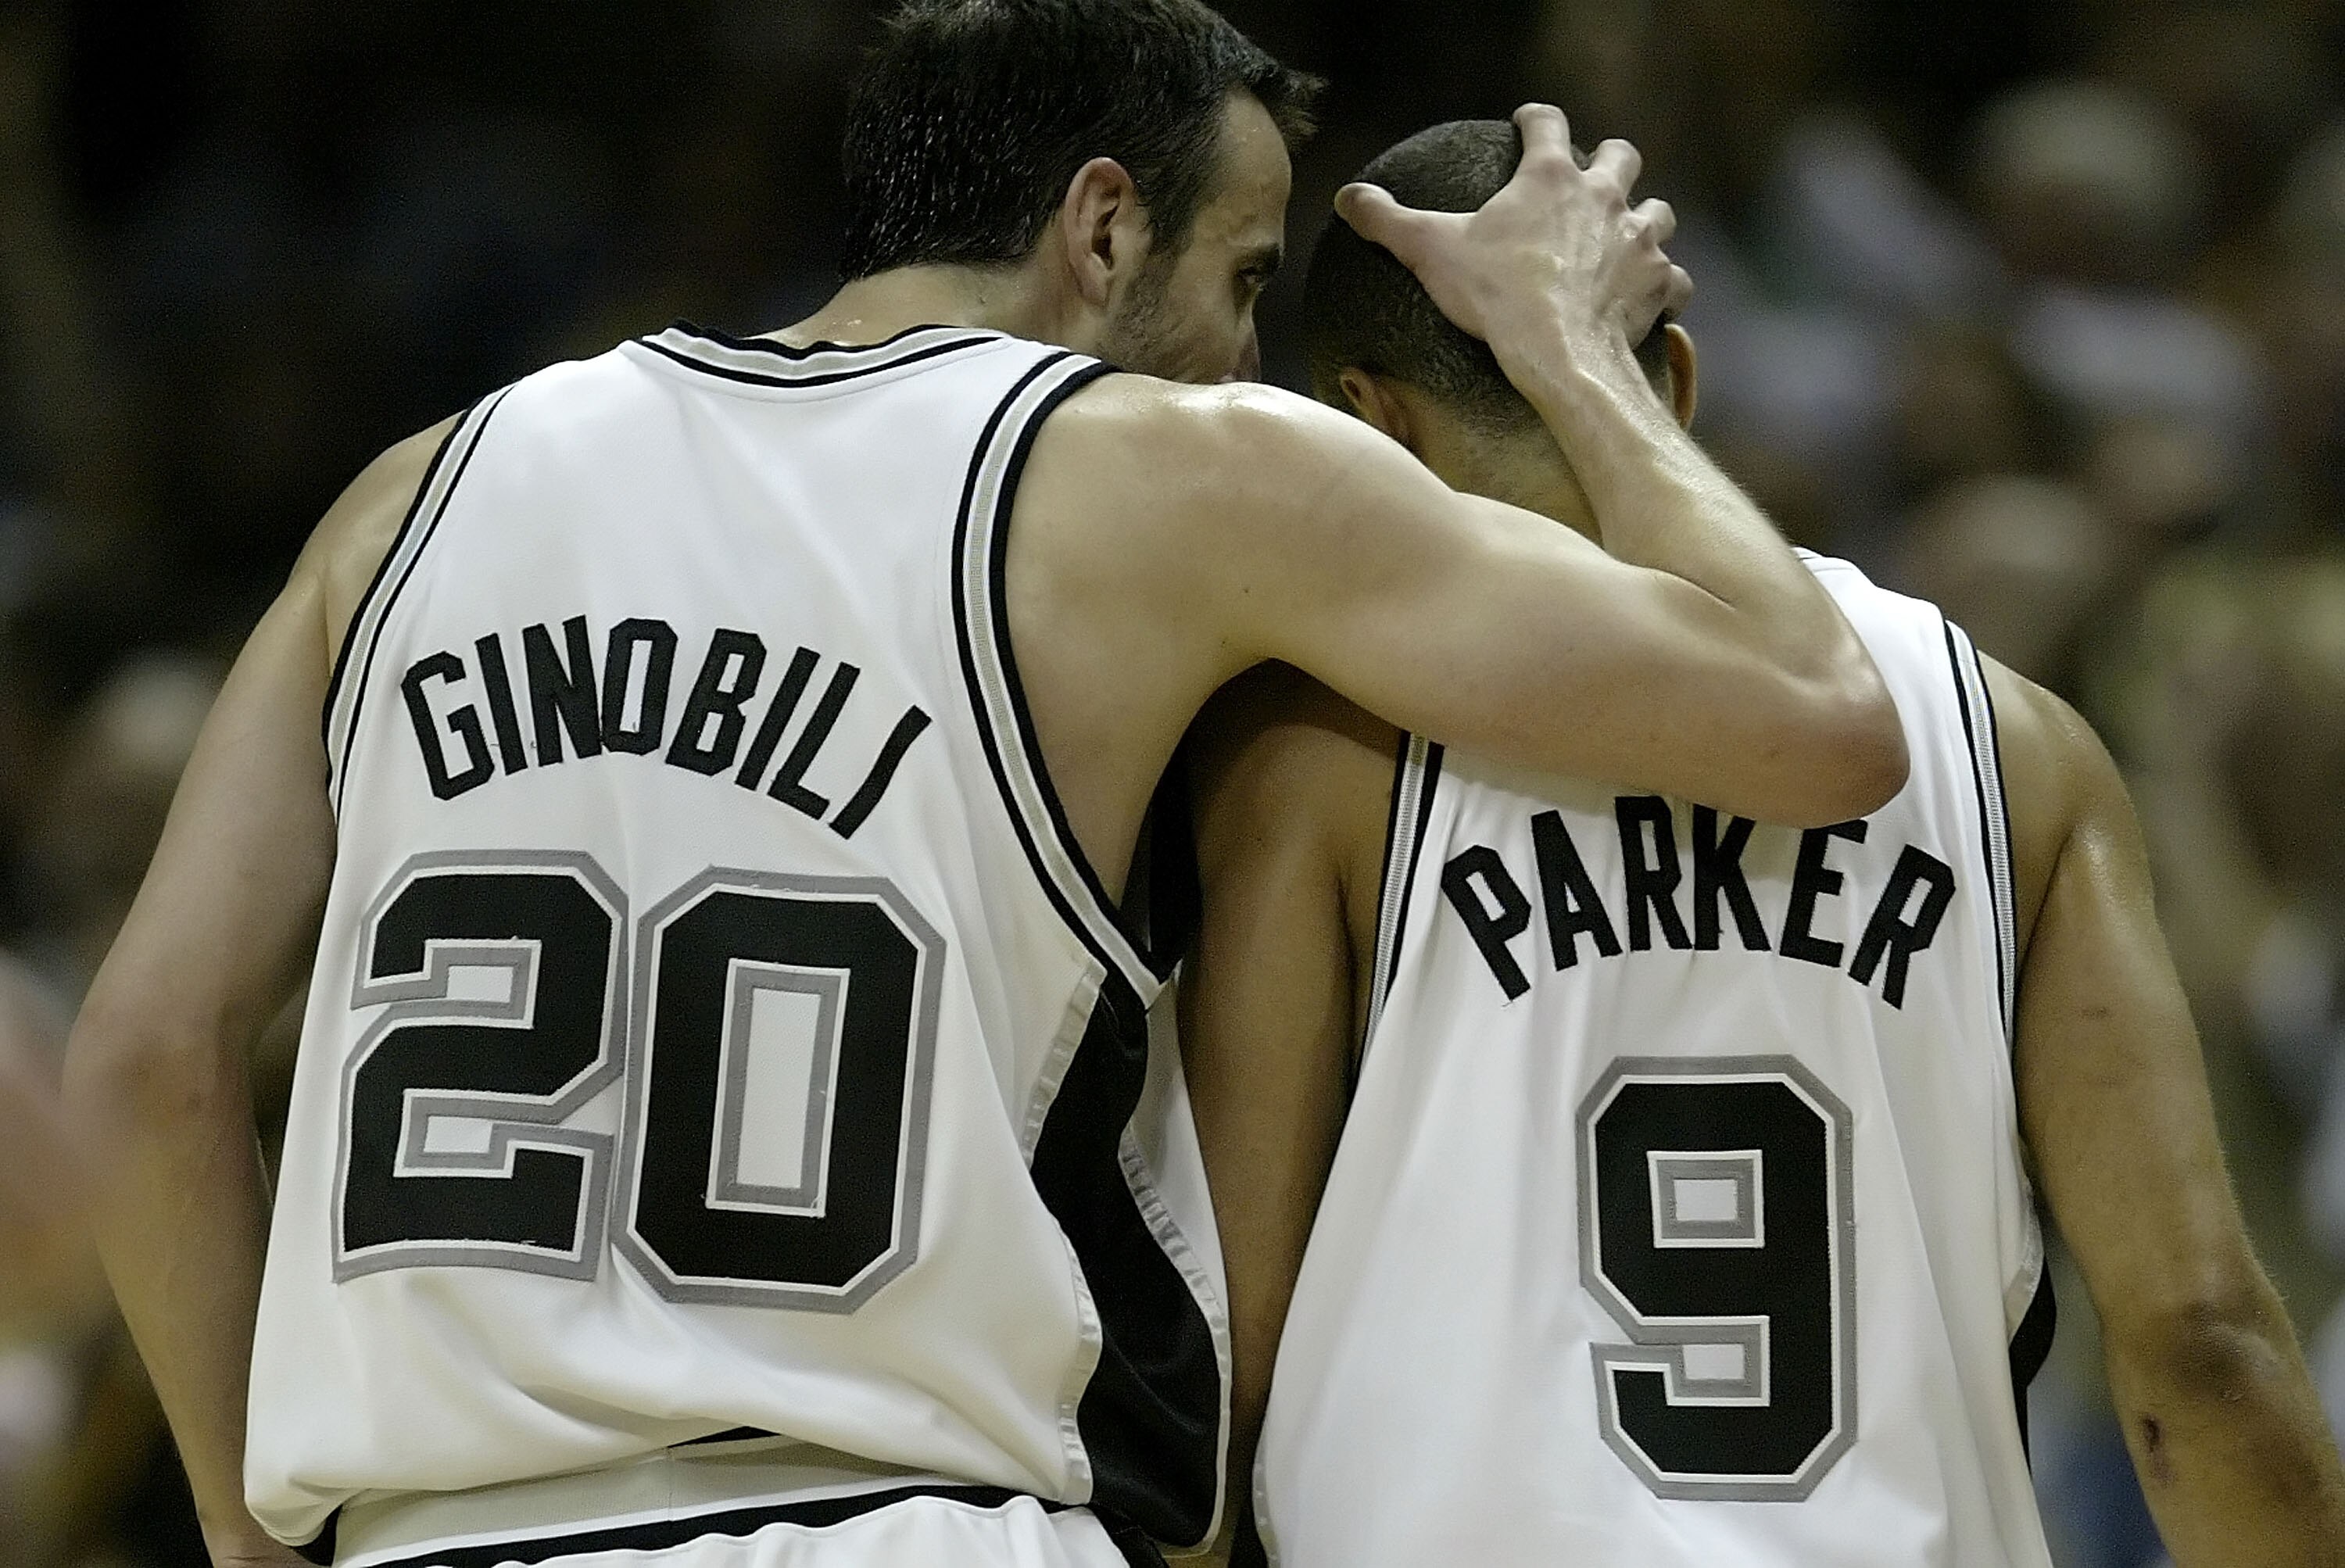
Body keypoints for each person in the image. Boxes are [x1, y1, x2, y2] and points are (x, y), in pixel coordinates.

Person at [60, 3, 1908, 1565]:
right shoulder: (1173, 475)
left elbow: (147, 1059)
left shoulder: (419, 491)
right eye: (1242, 279)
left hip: (434, 1527)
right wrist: (1570, 340)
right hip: (890, 1515)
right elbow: (1816, 716)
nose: (1248, 355)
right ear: (1102, 229)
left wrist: (246, 1522)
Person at [1181, 119, 2345, 1567]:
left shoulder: (1320, 755)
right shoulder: (2016, 748)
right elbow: (2199, 1339)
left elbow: (1219, 1364)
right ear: (1674, 375)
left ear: (1368, 421)